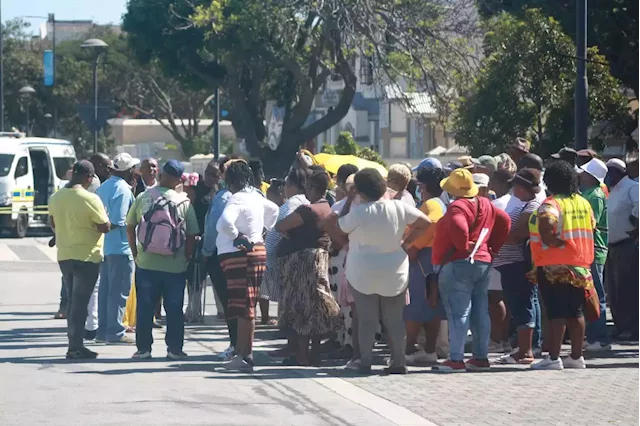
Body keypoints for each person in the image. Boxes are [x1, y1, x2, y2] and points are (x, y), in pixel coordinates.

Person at [326, 168, 432, 375]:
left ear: (360, 191)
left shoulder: (358, 212)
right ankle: (399, 361)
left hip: (362, 272)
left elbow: (340, 227)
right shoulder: (399, 207)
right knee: (394, 319)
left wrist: (349, 200)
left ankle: (364, 361)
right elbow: (425, 223)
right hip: (394, 270)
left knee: (366, 320)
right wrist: (406, 243)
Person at [431, 168, 511, 373]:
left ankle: (456, 359)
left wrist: (463, 244)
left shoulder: (457, 206)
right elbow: (505, 221)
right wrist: (492, 248)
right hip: (482, 263)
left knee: (459, 313)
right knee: (480, 311)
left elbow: (460, 229)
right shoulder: (485, 203)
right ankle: (480, 357)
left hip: (458, 264)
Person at [126, 160, 200, 360]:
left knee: (145, 307)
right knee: (174, 308)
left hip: (146, 263)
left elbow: (130, 225)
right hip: (175, 265)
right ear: (177, 180)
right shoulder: (184, 202)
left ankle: (144, 349)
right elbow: (192, 234)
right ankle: (174, 349)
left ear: (161, 175)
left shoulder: (143, 197)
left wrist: (135, 253)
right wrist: (187, 256)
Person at [529, 160, 595, 370]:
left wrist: (553, 241)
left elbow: (546, 228)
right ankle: (576, 357)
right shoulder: (583, 203)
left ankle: (553, 358)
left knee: (556, 313)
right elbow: (592, 225)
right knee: (575, 312)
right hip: (580, 266)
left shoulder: (551, 204)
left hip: (553, 266)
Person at [216, 160, 279, 372]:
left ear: (230, 180)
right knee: (246, 304)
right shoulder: (256, 197)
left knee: (244, 307)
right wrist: (261, 232)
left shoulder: (236, 200)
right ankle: (244, 354)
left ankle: (245, 356)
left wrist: (237, 236)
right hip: (255, 252)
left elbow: (223, 223)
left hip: (239, 256)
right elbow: (274, 210)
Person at [275, 168, 342, 366]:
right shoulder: (327, 208)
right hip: (319, 259)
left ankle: (302, 356)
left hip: (303, 262)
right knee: (316, 308)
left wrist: (288, 236)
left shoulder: (308, 210)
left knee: (302, 308)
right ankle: (314, 353)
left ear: (313, 188)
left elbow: (281, 226)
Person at [48, 160, 111, 359]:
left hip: (65, 256)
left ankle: (74, 344)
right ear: (89, 178)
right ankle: (75, 346)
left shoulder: (55, 197)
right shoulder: (91, 199)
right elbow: (105, 226)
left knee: (73, 301)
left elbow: (52, 223)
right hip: (87, 256)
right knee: (80, 303)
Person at [494, 168, 543, 364]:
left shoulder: (532, 207)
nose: (513, 189)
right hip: (511, 264)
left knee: (523, 305)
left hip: (519, 264)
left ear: (522, 188)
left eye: (516, 185)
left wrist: (495, 237)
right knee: (520, 305)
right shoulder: (524, 205)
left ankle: (526, 350)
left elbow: (518, 234)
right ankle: (523, 348)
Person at [403, 167, 447, 365]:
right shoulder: (439, 202)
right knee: (431, 304)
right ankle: (428, 349)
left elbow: (432, 223)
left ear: (423, 185)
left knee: (416, 306)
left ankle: (408, 350)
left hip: (423, 257)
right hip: (431, 256)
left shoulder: (432, 204)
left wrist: (414, 246)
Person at [95, 153, 139, 344]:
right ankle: (115, 331)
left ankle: (103, 330)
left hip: (105, 246)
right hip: (121, 248)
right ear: (128, 170)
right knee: (119, 291)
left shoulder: (103, 187)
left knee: (105, 290)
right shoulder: (122, 189)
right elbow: (119, 220)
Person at [202, 158, 236, 361]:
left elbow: (213, 228)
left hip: (219, 255)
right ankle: (237, 344)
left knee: (229, 301)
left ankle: (235, 344)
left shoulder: (223, 198)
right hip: (234, 253)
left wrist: (206, 253)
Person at [603, 158, 640, 341]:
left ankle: (632, 327)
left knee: (628, 288)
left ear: (617, 172)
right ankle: (620, 325)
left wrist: (636, 224)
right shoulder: (613, 190)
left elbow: (639, 206)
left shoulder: (632, 187)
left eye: (610, 172)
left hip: (627, 244)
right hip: (611, 245)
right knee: (614, 289)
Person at [578, 159, 610, 351]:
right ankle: (593, 336)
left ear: (592, 176)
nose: (581, 174)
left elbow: (591, 223)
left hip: (595, 250)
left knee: (596, 294)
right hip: (588, 249)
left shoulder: (595, 195)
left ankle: (600, 338)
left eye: (584, 172)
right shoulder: (589, 193)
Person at [258, 179, 286, 325]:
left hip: (273, 252)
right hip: (268, 252)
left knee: (271, 289)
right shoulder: (276, 209)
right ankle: (265, 317)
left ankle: (274, 317)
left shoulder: (283, 210)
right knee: (265, 289)